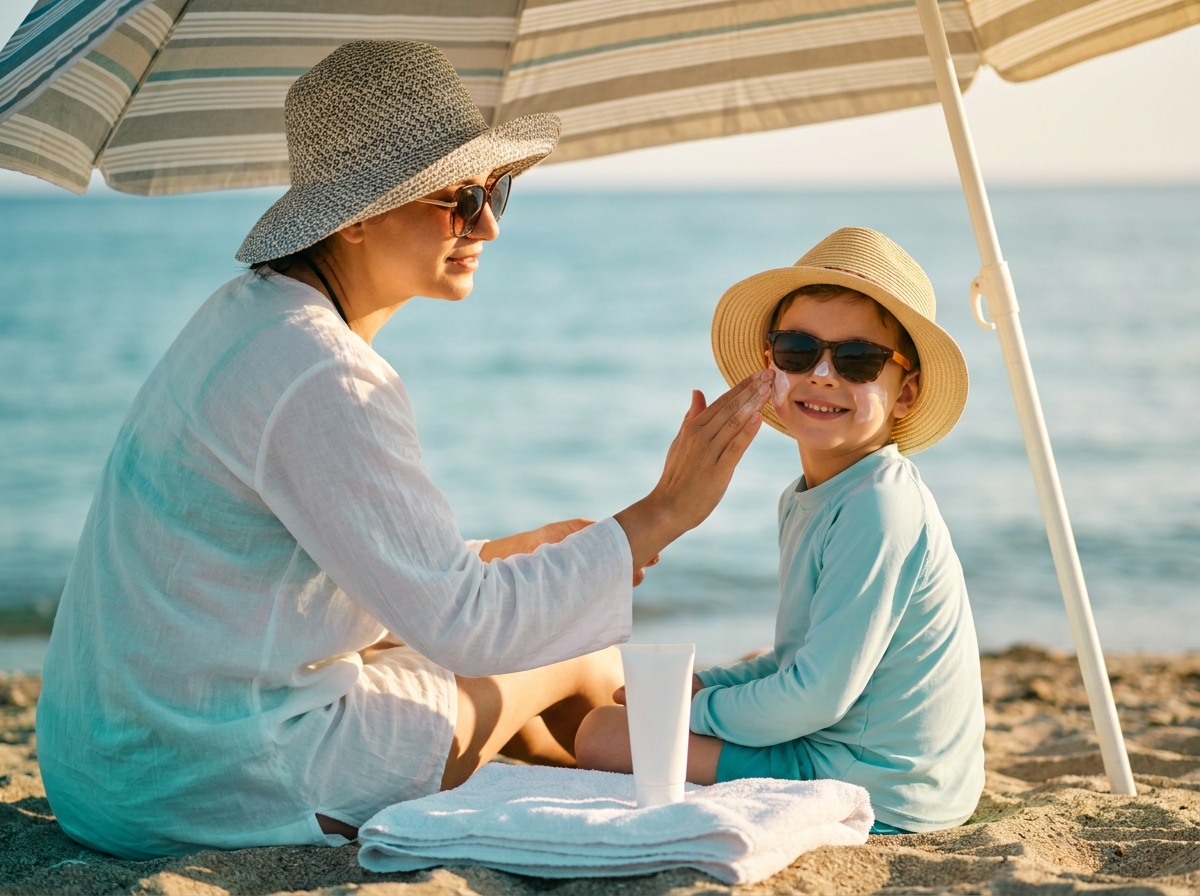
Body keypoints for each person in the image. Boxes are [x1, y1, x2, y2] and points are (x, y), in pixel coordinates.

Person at [35, 40, 773, 859]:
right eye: (460, 198)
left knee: (532, 660)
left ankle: (616, 771)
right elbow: (468, 629)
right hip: (210, 783)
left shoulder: (246, 320)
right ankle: (684, 781)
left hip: (114, 767)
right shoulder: (325, 373)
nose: (487, 223)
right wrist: (662, 514)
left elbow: (283, 571)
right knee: (579, 647)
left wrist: (502, 553)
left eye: (497, 191)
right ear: (355, 214)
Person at [576, 227, 986, 834]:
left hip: (881, 783)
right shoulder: (814, 498)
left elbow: (817, 696)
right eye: (798, 350)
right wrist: (707, 685)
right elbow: (801, 658)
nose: (822, 374)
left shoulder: (880, 505)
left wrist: (696, 707)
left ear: (907, 394)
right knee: (633, 710)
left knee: (601, 736)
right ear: (770, 366)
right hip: (875, 760)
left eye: (857, 360)